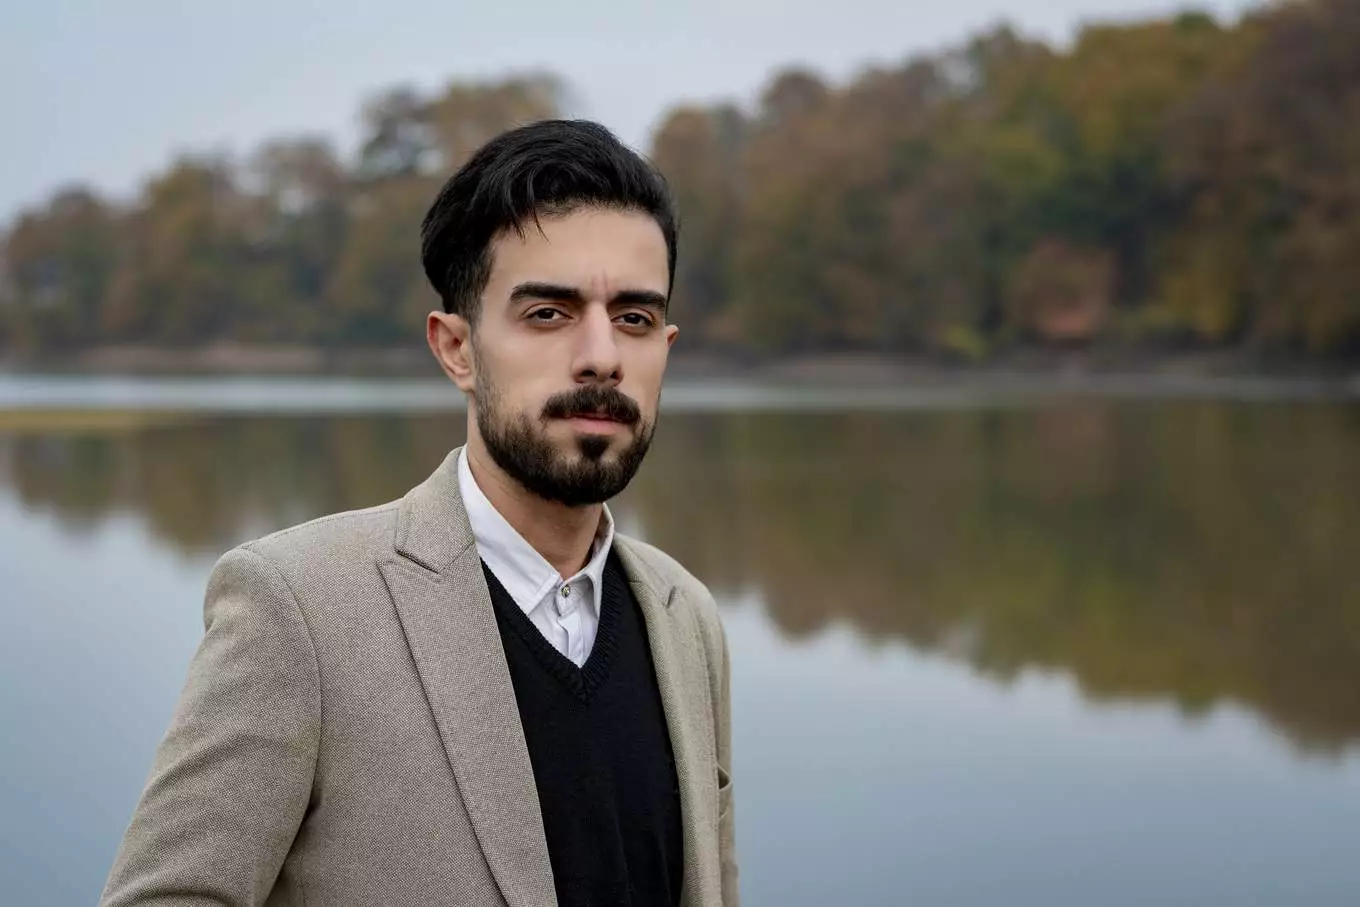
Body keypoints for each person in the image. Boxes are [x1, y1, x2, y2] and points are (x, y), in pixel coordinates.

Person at [99, 119, 738, 907]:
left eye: (634, 318)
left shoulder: (685, 616)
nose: (602, 355)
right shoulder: (301, 607)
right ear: (455, 349)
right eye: (549, 313)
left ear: (666, 345)